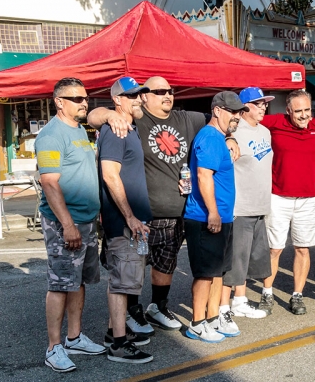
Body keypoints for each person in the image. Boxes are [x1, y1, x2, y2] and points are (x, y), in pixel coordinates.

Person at [88, 76, 237, 334]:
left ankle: (158, 306)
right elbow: (93, 115)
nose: (167, 95)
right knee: (135, 268)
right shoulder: (136, 117)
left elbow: (221, 121)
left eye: (170, 91)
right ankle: (133, 312)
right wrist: (109, 116)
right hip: (143, 213)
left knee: (165, 263)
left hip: (175, 210)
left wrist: (230, 139)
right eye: (159, 92)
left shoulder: (186, 119)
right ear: (145, 96)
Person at [36, 78, 106, 373]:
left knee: (78, 281)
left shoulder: (78, 129)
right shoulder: (51, 136)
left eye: (85, 97)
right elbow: (49, 183)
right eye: (76, 98)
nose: (84, 102)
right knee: (61, 284)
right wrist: (67, 224)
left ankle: (74, 337)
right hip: (66, 223)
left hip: (87, 220)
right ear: (59, 102)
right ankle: (54, 347)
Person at [184, 91, 249, 343]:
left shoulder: (220, 136)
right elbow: (203, 175)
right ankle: (197, 322)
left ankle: (212, 317)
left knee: (217, 272)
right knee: (204, 274)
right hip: (205, 216)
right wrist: (212, 211)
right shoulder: (210, 137)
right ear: (217, 110)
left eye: (239, 112)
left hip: (221, 216)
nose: (237, 117)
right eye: (232, 112)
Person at [259, 90, 315, 315]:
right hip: (277, 197)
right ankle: (267, 293)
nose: (303, 115)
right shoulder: (275, 122)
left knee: (302, 248)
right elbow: (246, 119)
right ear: (288, 111)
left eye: (307, 110)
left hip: (307, 200)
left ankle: (297, 295)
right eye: (298, 111)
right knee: (274, 249)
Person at [98, 77, 153, 363]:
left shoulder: (128, 128)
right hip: (123, 223)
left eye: (141, 95)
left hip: (132, 221)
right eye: (132, 96)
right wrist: (130, 216)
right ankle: (118, 345)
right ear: (118, 100)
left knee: (125, 280)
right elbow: (110, 174)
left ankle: (113, 333)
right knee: (121, 283)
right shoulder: (115, 130)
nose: (139, 99)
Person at [216, 87, 273, 337]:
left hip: (260, 206)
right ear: (244, 107)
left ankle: (240, 301)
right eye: (258, 103)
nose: (263, 107)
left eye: (265, 104)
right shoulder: (233, 132)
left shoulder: (266, 132)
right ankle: (223, 307)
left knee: (249, 260)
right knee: (234, 262)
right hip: (239, 208)